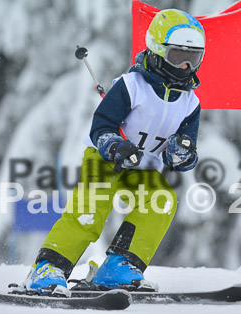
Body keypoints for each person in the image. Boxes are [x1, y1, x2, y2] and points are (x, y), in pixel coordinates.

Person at [21, 9, 206, 296]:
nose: (185, 67)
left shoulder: (190, 104)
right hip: (103, 160)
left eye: (192, 59)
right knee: (91, 207)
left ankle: (118, 266)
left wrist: (180, 155)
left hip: (142, 169)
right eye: (177, 57)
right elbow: (101, 126)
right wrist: (114, 145)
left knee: (162, 200)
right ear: (157, 50)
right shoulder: (132, 86)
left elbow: (184, 150)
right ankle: (48, 268)